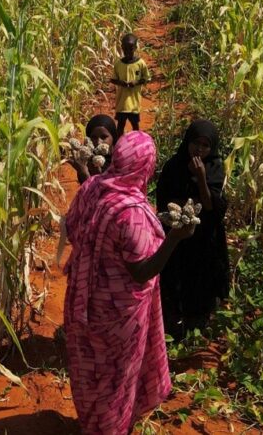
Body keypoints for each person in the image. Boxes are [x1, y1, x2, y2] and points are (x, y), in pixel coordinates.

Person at [62, 131, 196, 435]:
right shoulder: (132, 212)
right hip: (117, 315)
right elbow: (141, 272)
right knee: (116, 379)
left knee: (91, 371)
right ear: (145, 168)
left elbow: (72, 229)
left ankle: (91, 425)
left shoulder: (93, 187)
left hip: (81, 300)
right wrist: (174, 238)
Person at [156, 119, 230, 338]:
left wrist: (200, 178)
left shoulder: (215, 167)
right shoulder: (174, 165)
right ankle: (173, 325)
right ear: (187, 141)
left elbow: (211, 206)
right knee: (175, 278)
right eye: (196, 143)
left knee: (201, 280)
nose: (199, 149)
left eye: (205, 145)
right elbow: (163, 201)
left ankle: (197, 327)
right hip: (177, 236)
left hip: (204, 238)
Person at [111, 33, 151, 135]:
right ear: (122, 48)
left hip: (134, 103)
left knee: (135, 125)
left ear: (135, 48)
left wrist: (136, 82)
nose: (128, 51)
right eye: (125, 49)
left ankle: (138, 144)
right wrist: (121, 83)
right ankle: (118, 145)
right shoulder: (118, 64)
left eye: (131, 49)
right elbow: (113, 79)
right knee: (120, 125)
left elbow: (147, 78)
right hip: (122, 102)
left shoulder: (140, 63)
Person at [67, 114, 119, 184]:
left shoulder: (120, 162)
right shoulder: (87, 162)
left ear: (114, 138)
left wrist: (85, 174)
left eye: (104, 137)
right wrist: (82, 172)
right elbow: (87, 191)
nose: (98, 142)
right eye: (94, 137)